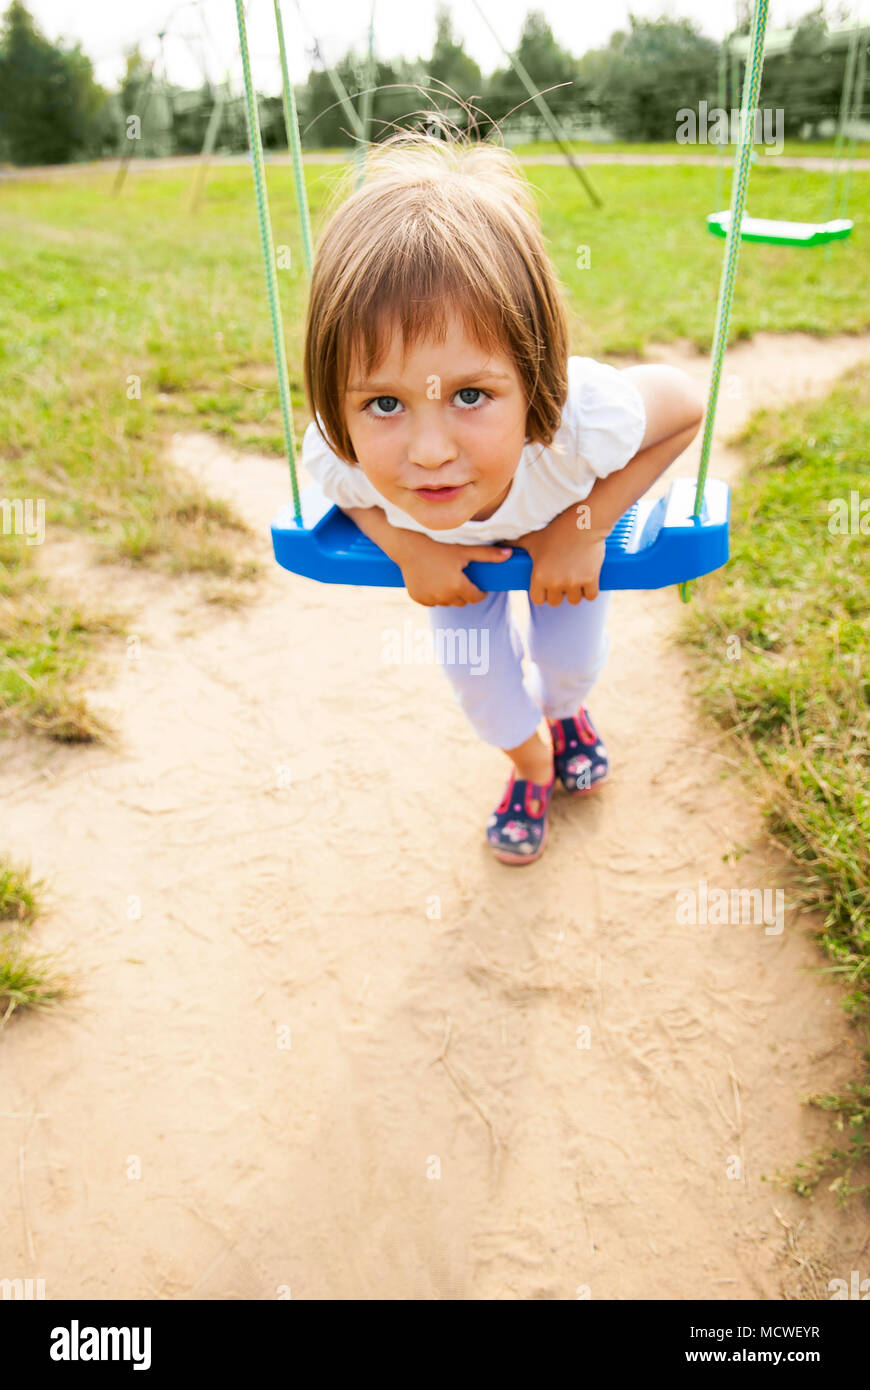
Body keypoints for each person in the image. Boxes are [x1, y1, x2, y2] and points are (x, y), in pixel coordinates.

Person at [300, 129, 705, 864]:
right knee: (480, 686)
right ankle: (531, 767)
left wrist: (585, 526)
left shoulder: (580, 420)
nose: (429, 453)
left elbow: (683, 406)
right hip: (456, 570)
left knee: (570, 663)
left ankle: (567, 715)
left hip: (560, 541)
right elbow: (340, 486)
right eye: (384, 404)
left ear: (536, 377)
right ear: (341, 402)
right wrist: (408, 545)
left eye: (472, 394)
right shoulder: (339, 445)